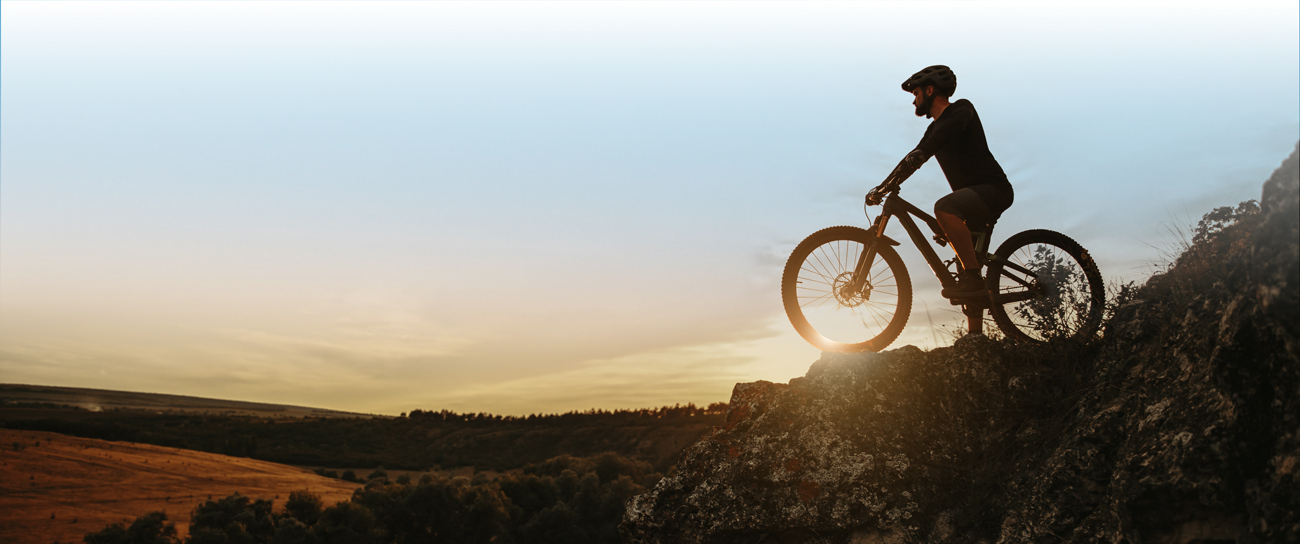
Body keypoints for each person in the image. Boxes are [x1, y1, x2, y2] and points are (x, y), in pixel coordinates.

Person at [869, 65, 1014, 298]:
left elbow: (944, 135)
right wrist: (883, 187)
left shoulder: (962, 109)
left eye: (915, 94)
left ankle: (974, 277)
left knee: (944, 208)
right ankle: (975, 335)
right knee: (965, 266)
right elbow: (915, 155)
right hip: (972, 200)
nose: (913, 101)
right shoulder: (932, 130)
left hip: (993, 189)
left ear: (929, 90)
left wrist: (921, 153)